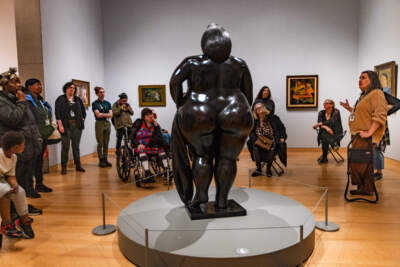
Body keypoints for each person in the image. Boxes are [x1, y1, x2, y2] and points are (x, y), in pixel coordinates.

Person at [170, 24, 253, 210]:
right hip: (235, 108)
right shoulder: (239, 63)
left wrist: (182, 103)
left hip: (199, 110)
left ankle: (201, 196)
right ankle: (222, 200)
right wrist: (241, 108)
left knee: (202, 155)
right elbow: (248, 93)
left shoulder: (192, 63)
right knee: (228, 158)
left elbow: (174, 82)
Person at [340, 71, 387, 196]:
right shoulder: (365, 96)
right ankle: (365, 188)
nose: (360, 80)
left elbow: (380, 114)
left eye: (363, 78)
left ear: (372, 80)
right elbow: (362, 114)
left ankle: (366, 188)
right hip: (358, 135)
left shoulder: (377, 93)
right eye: (359, 78)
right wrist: (350, 108)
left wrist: (369, 133)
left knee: (359, 164)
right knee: (362, 164)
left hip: (365, 137)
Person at [0, 68, 42, 200]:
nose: (19, 85)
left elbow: (30, 121)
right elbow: (12, 119)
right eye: (15, 82)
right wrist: (22, 102)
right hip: (15, 146)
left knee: (26, 177)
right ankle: (16, 213)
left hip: (28, 144)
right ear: (5, 85)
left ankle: (24, 207)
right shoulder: (3, 101)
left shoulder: (18, 97)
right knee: (17, 179)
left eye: (19, 81)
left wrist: (37, 138)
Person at [0, 131, 35, 239]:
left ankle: (24, 220)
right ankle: (6, 224)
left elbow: (11, 174)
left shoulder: (14, 157)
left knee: (20, 191)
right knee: (5, 190)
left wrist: (14, 184)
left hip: (2, 180)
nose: (24, 146)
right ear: (15, 147)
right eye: (23, 144)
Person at [25, 78, 54, 193]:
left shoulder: (40, 100)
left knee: (39, 162)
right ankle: (29, 188)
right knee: (31, 163)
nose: (40, 87)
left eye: (41, 85)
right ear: (29, 87)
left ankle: (40, 184)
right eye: (37, 85)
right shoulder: (27, 100)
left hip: (42, 136)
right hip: (32, 137)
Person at [130, 108, 170, 181]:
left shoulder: (154, 124)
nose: (152, 117)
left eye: (152, 116)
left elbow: (159, 136)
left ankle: (167, 170)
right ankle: (147, 172)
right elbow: (132, 135)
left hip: (150, 144)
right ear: (144, 116)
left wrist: (156, 126)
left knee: (161, 149)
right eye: (149, 116)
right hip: (139, 144)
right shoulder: (139, 122)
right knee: (142, 150)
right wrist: (138, 144)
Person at [55, 81, 86, 175]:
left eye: (73, 88)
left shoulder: (78, 99)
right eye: (69, 88)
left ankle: (78, 166)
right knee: (65, 147)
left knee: (76, 147)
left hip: (77, 126)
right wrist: (60, 126)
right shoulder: (60, 99)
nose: (71, 89)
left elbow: (83, 112)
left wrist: (81, 120)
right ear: (66, 89)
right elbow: (57, 113)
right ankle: (64, 167)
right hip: (65, 126)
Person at [249, 102, 287, 177]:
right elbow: (251, 132)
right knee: (255, 147)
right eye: (257, 108)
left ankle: (268, 169)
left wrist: (282, 137)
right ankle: (259, 168)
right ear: (255, 111)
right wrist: (255, 140)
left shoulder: (274, 118)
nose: (259, 109)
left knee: (272, 148)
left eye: (260, 107)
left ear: (264, 108)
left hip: (271, 140)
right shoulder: (254, 120)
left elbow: (282, 128)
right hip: (259, 140)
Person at [373, 92, 400, 180]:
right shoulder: (366, 94)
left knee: (378, 150)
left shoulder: (381, 94)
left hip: (380, 126)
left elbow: (398, 103)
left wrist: (385, 112)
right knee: (372, 150)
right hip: (370, 125)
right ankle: (373, 170)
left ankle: (379, 173)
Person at [313, 99, 343, 163]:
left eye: (326, 103)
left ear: (331, 105)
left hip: (335, 133)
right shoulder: (321, 112)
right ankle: (334, 144)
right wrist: (326, 127)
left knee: (323, 136)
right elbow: (319, 122)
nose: (324, 104)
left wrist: (321, 124)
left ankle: (324, 158)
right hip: (327, 133)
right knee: (324, 134)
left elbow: (332, 121)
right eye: (324, 103)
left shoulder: (336, 112)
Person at [92, 87, 113, 168]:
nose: (102, 94)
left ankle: (105, 159)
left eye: (103, 92)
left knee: (106, 143)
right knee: (100, 143)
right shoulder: (95, 103)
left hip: (107, 123)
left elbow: (111, 115)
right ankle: (101, 160)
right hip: (99, 124)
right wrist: (106, 114)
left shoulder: (108, 103)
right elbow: (97, 115)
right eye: (100, 92)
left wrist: (102, 114)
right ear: (97, 94)